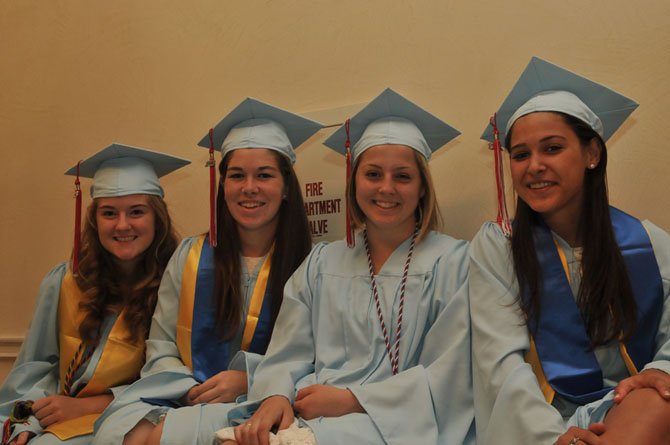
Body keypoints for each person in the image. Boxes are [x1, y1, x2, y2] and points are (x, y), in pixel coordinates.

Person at [217, 88, 475, 445]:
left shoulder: (454, 262)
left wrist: (353, 401)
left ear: (422, 189)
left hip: (400, 424)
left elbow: (451, 374)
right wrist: (276, 395)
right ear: (354, 182)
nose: (386, 188)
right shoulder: (322, 263)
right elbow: (287, 352)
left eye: (402, 176)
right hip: (316, 411)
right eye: (372, 174)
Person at [92, 98, 321, 445]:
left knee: (167, 438)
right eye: (237, 176)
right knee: (123, 434)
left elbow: (321, 354)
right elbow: (161, 343)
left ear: (286, 186)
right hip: (181, 391)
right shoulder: (191, 256)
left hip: (262, 398)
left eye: (264, 175)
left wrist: (247, 380)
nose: (249, 188)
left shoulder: (313, 263)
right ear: (223, 184)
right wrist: (188, 389)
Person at [471, 56, 670, 444]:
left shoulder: (645, 242)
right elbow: (501, 366)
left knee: (655, 399)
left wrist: (662, 370)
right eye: (521, 154)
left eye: (552, 148)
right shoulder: (499, 246)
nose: (534, 166)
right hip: (542, 419)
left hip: (630, 406)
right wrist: (550, 438)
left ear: (592, 154)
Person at [0, 144, 189, 445]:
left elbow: (174, 381)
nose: (122, 225)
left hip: (136, 419)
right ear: (94, 219)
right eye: (109, 213)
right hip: (59, 417)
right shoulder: (65, 282)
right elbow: (37, 369)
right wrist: (27, 420)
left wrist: (86, 406)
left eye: (137, 212)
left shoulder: (180, 285)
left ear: (157, 218)